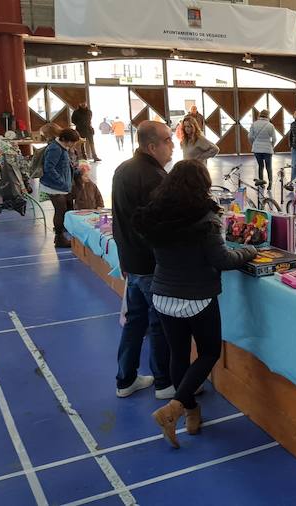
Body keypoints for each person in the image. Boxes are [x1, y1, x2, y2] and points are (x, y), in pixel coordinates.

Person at [132, 159, 257, 448]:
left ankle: (190, 410)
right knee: (209, 351)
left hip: (163, 294)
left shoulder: (155, 216)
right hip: (197, 297)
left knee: (178, 355)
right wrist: (250, 251)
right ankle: (174, 409)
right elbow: (222, 260)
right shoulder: (206, 220)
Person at [112, 121, 174, 400]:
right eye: (168, 140)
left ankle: (126, 379)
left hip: (131, 261)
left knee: (135, 321)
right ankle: (164, 382)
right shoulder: (155, 178)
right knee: (159, 323)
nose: (172, 146)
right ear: (152, 146)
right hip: (151, 264)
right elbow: (160, 227)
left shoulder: (123, 170)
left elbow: (119, 221)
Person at [41, 128, 81, 248]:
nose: (73, 144)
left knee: (64, 209)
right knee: (60, 211)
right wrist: (62, 182)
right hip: (54, 186)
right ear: (64, 139)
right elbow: (49, 168)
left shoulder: (61, 148)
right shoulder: (55, 148)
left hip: (59, 186)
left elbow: (61, 165)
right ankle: (59, 238)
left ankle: (61, 235)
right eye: (72, 141)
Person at [248, 110, 277, 189]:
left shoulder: (254, 124)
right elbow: (274, 138)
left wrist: (253, 143)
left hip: (257, 149)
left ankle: (261, 183)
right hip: (267, 149)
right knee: (269, 167)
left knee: (260, 166)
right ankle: (270, 184)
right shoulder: (270, 125)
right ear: (268, 116)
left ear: (260, 115)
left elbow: (250, 137)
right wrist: (272, 145)